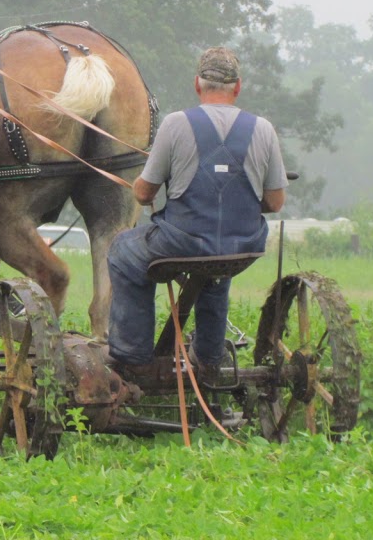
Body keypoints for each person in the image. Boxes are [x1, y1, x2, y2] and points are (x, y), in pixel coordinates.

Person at [106, 46, 288, 382]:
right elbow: (276, 202)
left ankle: (133, 357)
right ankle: (207, 361)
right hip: (244, 245)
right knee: (216, 267)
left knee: (122, 251)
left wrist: (142, 188)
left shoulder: (176, 124)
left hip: (182, 242)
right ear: (237, 87)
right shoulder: (264, 129)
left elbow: (144, 192)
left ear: (196, 85)